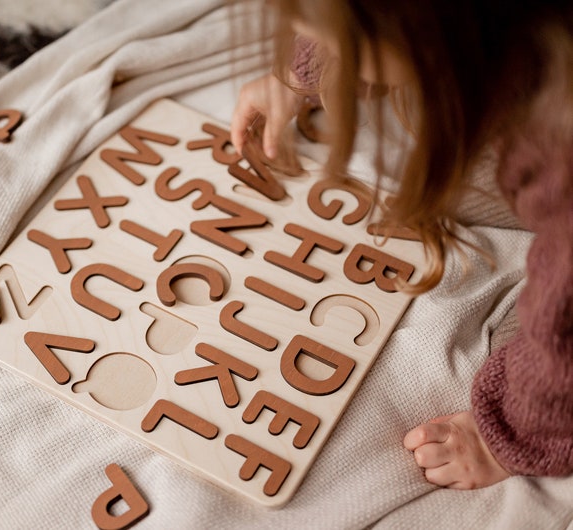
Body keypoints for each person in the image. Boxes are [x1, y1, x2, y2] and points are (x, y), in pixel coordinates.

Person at [230, 0, 572, 490]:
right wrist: (299, 76)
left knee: (536, 355)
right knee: (442, 185)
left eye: (332, 38)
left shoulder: (557, 148)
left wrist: (518, 432)